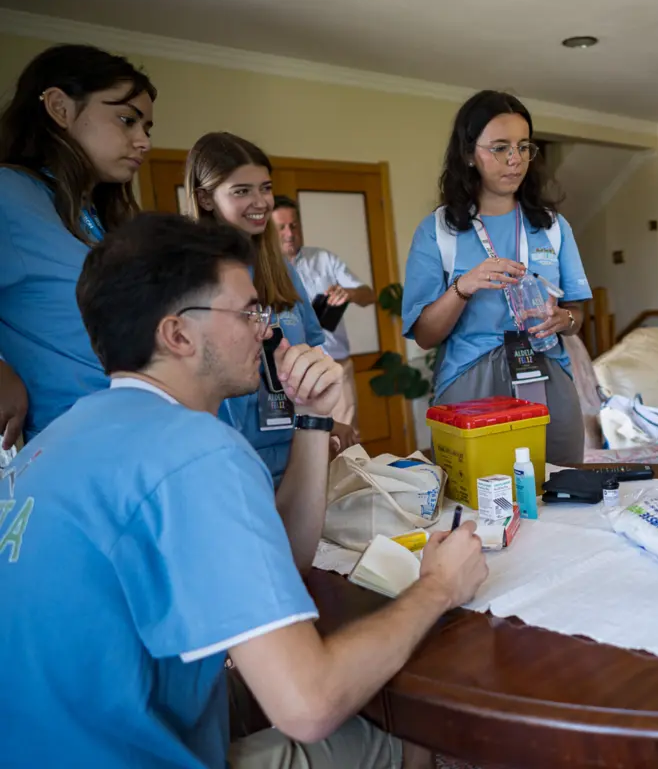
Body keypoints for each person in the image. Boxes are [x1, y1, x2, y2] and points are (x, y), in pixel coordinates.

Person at [0, 212, 488, 768]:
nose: (266, 328)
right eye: (249, 311)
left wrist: (311, 423)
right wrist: (439, 588)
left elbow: (280, 554)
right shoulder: (195, 448)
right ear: (178, 334)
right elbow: (309, 703)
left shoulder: (62, 437)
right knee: (421, 739)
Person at [402, 90, 591, 464]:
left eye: (523, 147)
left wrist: (563, 320)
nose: (515, 160)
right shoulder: (438, 231)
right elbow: (424, 335)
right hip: (470, 382)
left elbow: (578, 314)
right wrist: (463, 287)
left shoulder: (553, 227)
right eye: (500, 147)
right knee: (481, 507)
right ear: (468, 153)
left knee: (563, 495)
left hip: (547, 374)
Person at [0, 44, 154, 444]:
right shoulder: (9, 193)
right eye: (127, 120)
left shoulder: (104, 217)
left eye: (146, 128)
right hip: (72, 445)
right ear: (60, 108)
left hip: (142, 432)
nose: (143, 142)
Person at [182, 132, 354, 483]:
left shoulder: (280, 268)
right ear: (205, 198)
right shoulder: (188, 274)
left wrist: (325, 422)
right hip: (230, 459)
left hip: (296, 451)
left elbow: (309, 351)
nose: (260, 201)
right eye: (241, 191)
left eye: (265, 187)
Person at [273, 194, 375, 437]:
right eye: (281, 227)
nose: (289, 233)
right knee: (301, 443)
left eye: (294, 225)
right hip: (287, 372)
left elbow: (368, 295)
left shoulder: (323, 259)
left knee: (347, 438)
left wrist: (348, 293)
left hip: (334, 364)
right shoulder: (262, 269)